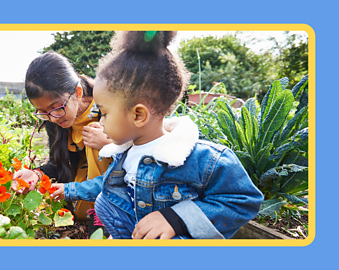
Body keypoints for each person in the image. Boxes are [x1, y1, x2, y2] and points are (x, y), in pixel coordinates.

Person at [51, 31, 264, 239]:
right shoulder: (126, 154)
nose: (101, 121)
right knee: (104, 202)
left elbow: (244, 200)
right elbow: (105, 186)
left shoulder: (202, 158)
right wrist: (69, 190)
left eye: (104, 113)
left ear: (138, 115)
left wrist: (176, 219)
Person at [12, 51, 112, 237]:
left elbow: (141, 142)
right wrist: (35, 173)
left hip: (119, 181)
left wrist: (109, 143)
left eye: (56, 107)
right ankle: (94, 209)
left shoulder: (109, 103)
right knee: (80, 210)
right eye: (42, 112)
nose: (51, 118)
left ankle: (104, 212)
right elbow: (58, 165)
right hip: (86, 182)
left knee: (93, 132)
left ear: (77, 93)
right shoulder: (55, 119)